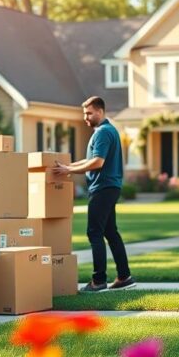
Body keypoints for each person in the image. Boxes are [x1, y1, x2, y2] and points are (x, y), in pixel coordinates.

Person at [54, 96, 135, 292]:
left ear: (100, 111)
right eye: (84, 114)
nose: (85, 117)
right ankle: (124, 277)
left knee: (94, 233)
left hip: (103, 188)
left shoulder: (102, 133)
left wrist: (69, 171)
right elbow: (90, 159)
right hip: (110, 187)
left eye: (89, 113)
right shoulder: (108, 131)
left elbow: (97, 162)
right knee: (110, 232)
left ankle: (98, 281)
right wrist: (69, 166)